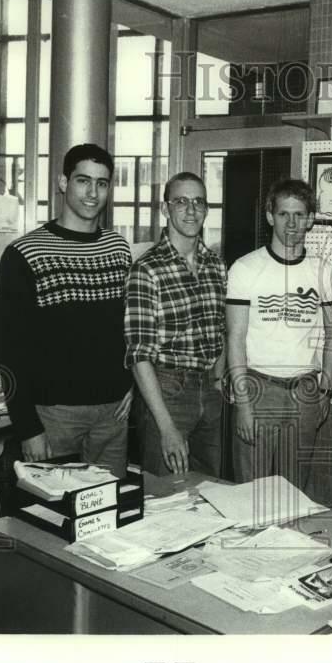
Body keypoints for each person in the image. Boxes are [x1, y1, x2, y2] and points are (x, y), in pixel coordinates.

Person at [0, 143, 132, 476]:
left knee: (110, 512)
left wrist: (132, 384)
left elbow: (130, 327)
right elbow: (9, 348)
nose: (93, 192)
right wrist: (27, 426)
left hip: (113, 413)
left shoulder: (118, 249)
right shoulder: (24, 253)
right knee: (50, 518)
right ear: (62, 182)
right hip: (53, 415)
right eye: (83, 180)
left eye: (102, 182)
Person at [225, 178, 332, 490]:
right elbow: (235, 337)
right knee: (253, 492)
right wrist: (242, 403)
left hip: (305, 393)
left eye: (299, 214)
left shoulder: (324, 270)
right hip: (258, 390)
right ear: (269, 216)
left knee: (294, 492)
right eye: (283, 214)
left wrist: (326, 389)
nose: (291, 223)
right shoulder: (245, 268)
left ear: (311, 219)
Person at [124, 172, 226, 477]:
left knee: (209, 494)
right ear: (166, 210)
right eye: (181, 201)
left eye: (199, 202)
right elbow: (139, 355)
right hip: (167, 394)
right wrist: (165, 426)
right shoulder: (146, 269)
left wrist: (218, 383)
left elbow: (221, 330)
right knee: (164, 497)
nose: (191, 210)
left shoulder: (216, 265)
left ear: (207, 210)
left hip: (209, 393)